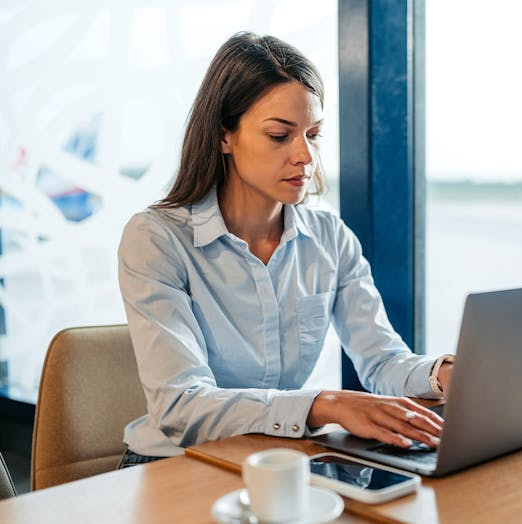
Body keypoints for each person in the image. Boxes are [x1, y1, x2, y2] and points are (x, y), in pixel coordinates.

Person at [116, 31, 453, 467]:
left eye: (313, 135)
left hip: (274, 459)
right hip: (172, 464)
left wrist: (443, 376)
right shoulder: (157, 239)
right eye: (280, 136)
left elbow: (382, 361)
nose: (305, 156)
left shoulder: (329, 237)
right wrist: (325, 405)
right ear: (224, 137)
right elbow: (181, 406)